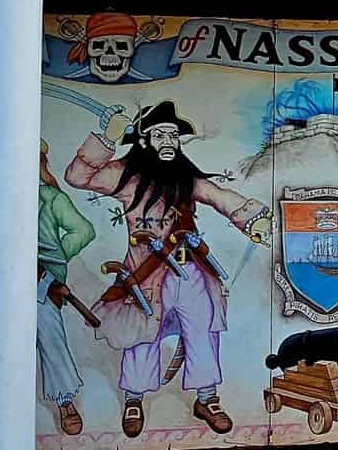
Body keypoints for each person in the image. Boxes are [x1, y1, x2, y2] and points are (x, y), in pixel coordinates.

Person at [65, 100, 271, 438]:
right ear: (144, 140)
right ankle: (134, 399)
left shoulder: (184, 177)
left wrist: (256, 221)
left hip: (191, 274)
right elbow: (77, 176)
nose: (167, 141)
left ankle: (207, 399)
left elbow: (219, 196)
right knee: (142, 334)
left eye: (172, 135)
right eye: (159, 134)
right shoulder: (124, 175)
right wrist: (106, 138)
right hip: (146, 274)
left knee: (202, 332)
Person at [38, 139, 96, 435]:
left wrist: (54, 257)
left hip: (42, 283)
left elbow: (84, 231)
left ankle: (65, 401)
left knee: (51, 338)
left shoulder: (51, 198)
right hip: (1, 281)